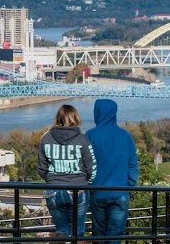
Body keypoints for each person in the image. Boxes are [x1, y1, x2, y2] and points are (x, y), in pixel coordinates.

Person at [38, 104, 97, 240]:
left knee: (61, 232)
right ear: (76, 119)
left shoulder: (46, 139)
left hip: (54, 189)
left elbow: (41, 168)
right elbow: (92, 167)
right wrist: (85, 182)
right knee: (79, 232)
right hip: (78, 189)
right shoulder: (82, 139)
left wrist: (51, 179)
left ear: (58, 119)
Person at [86, 99, 138, 244]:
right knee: (115, 235)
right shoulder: (125, 136)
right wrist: (129, 186)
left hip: (97, 192)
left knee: (99, 234)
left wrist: (88, 186)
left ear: (97, 113)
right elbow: (132, 165)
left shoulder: (90, 135)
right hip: (120, 192)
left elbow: (84, 165)